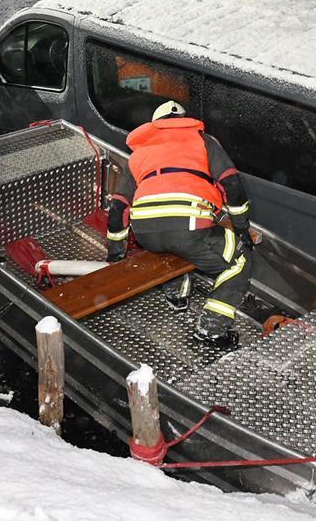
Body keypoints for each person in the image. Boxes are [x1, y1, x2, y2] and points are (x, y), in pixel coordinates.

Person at [105, 100, 253, 348]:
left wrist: (116, 254)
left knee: (170, 248)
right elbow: (231, 183)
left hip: (145, 231)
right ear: (184, 119)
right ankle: (212, 329)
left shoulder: (140, 154)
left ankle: (177, 296)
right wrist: (241, 227)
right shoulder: (202, 141)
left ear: (155, 125)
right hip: (189, 224)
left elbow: (118, 207)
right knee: (239, 261)